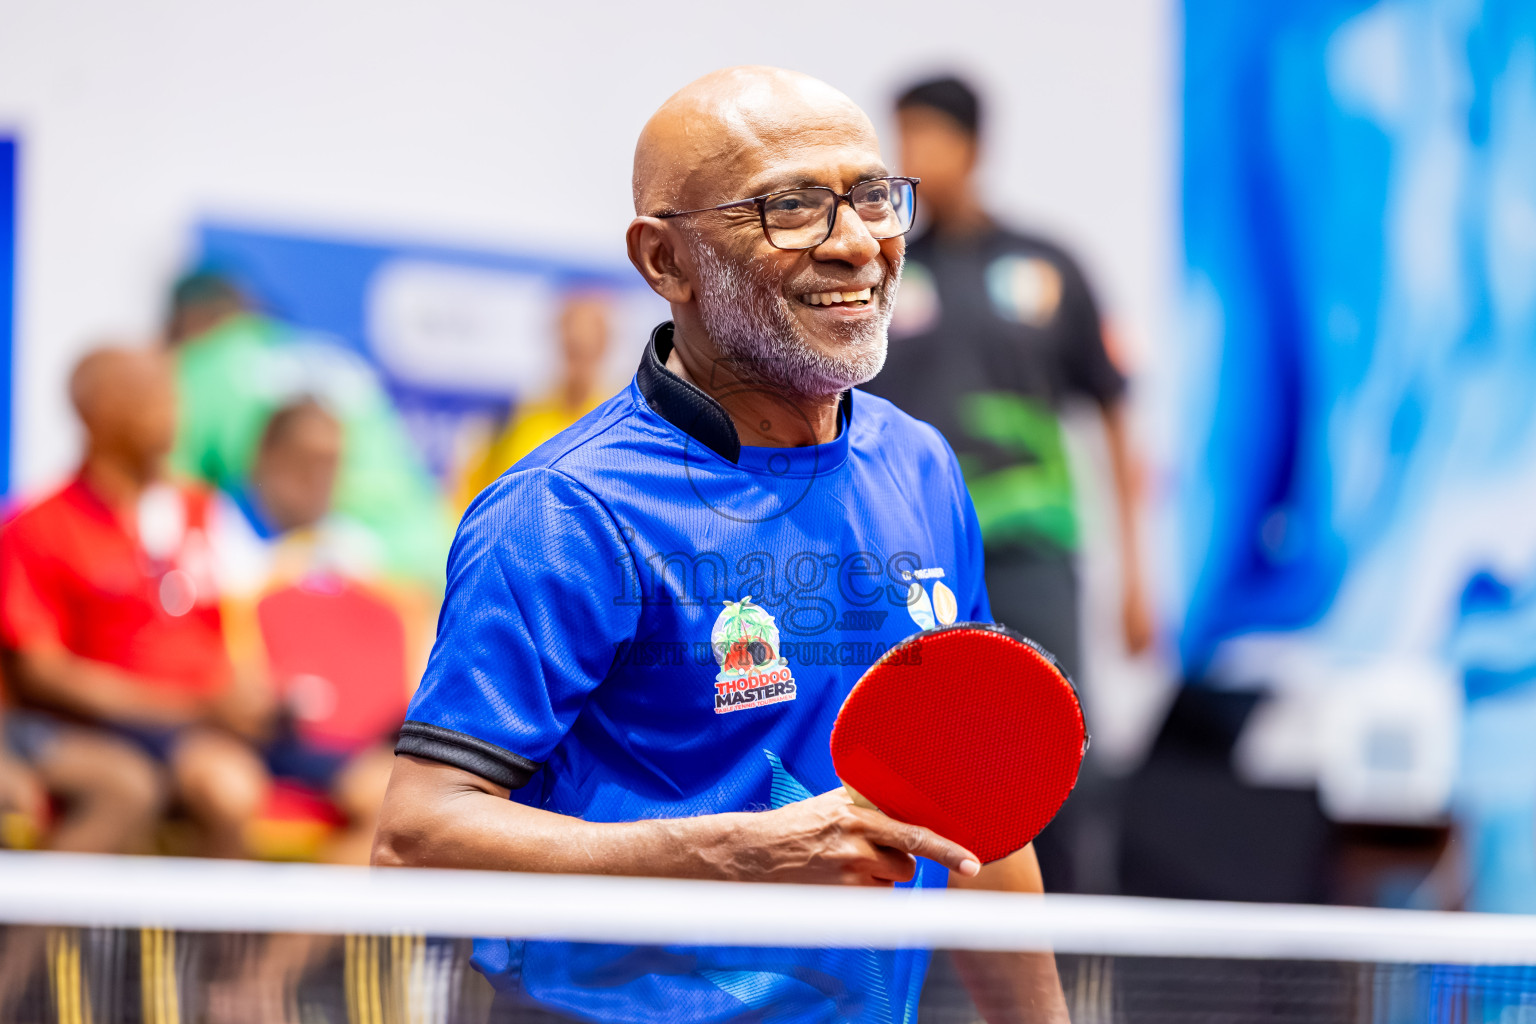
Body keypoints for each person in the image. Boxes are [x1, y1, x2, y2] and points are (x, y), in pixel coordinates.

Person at [373, 67, 1069, 1024]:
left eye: (872, 195)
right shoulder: (562, 511)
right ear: (666, 262)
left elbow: (973, 808)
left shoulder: (921, 465)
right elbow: (416, 841)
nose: (859, 242)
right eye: (791, 207)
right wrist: (730, 855)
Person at [864, 75, 1152, 894]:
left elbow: (1116, 414)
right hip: (908, 550)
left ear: (975, 148)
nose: (912, 157)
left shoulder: (1049, 266)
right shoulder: (879, 267)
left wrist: (1138, 578)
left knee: (1061, 752)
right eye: (903, 137)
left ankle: (1078, 960)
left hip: (1030, 548)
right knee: (910, 754)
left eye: (930, 139)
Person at [0, 347, 271, 858]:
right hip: (91, 728)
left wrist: (251, 693)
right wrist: (188, 708)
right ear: (96, 411)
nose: (171, 410)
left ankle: (224, 940)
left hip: (207, 725)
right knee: (165, 786)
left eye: (171, 393)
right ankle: (29, 937)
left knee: (243, 788)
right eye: (150, 394)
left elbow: (238, 625)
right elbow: (43, 673)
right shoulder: (40, 526)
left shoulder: (200, 509)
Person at [213, 398, 406, 866]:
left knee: (411, 800)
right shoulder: (216, 532)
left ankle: (286, 940)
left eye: (332, 463)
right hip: (254, 734)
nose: (320, 477)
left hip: (347, 740)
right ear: (267, 458)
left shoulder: (353, 548)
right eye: (308, 460)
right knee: (395, 802)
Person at [165, 272, 453, 585]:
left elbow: (164, 497)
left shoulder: (204, 364)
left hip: (329, 564)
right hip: (429, 562)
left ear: (189, 322)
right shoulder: (336, 359)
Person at [454, 292, 615, 509]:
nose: (578, 362)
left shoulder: (617, 423)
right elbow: (469, 496)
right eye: (572, 347)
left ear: (604, 346)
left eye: (586, 348)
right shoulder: (513, 419)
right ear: (558, 342)